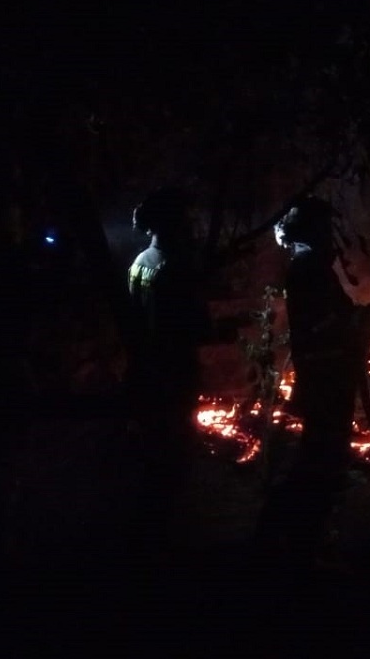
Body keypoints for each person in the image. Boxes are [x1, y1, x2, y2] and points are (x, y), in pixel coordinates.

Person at [255, 195, 370, 570]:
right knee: (319, 462)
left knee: (320, 458)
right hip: (325, 381)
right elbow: (345, 323)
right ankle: (289, 543)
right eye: (325, 227)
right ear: (312, 231)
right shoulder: (310, 271)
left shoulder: (309, 268)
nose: (330, 235)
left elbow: (343, 320)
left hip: (326, 378)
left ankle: (290, 538)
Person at [125, 186, 212, 555]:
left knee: (151, 458)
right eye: (185, 218)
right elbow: (190, 327)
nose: (191, 226)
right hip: (172, 374)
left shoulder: (141, 260)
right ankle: (164, 549)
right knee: (173, 461)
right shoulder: (175, 267)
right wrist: (230, 327)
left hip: (146, 371)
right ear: (173, 221)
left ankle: (146, 539)